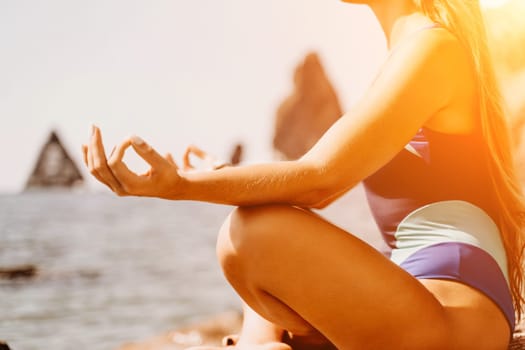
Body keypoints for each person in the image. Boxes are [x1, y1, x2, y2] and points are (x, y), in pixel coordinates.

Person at [83, 0, 525, 349]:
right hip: (432, 307)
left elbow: (318, 180)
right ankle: (261, 341)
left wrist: (175, 187)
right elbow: (304, 180)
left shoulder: (434, 48)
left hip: (454, 323)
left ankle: (259, 343)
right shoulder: (412, 50)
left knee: (252, 232)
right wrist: (223, 176)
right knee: (256, 222)